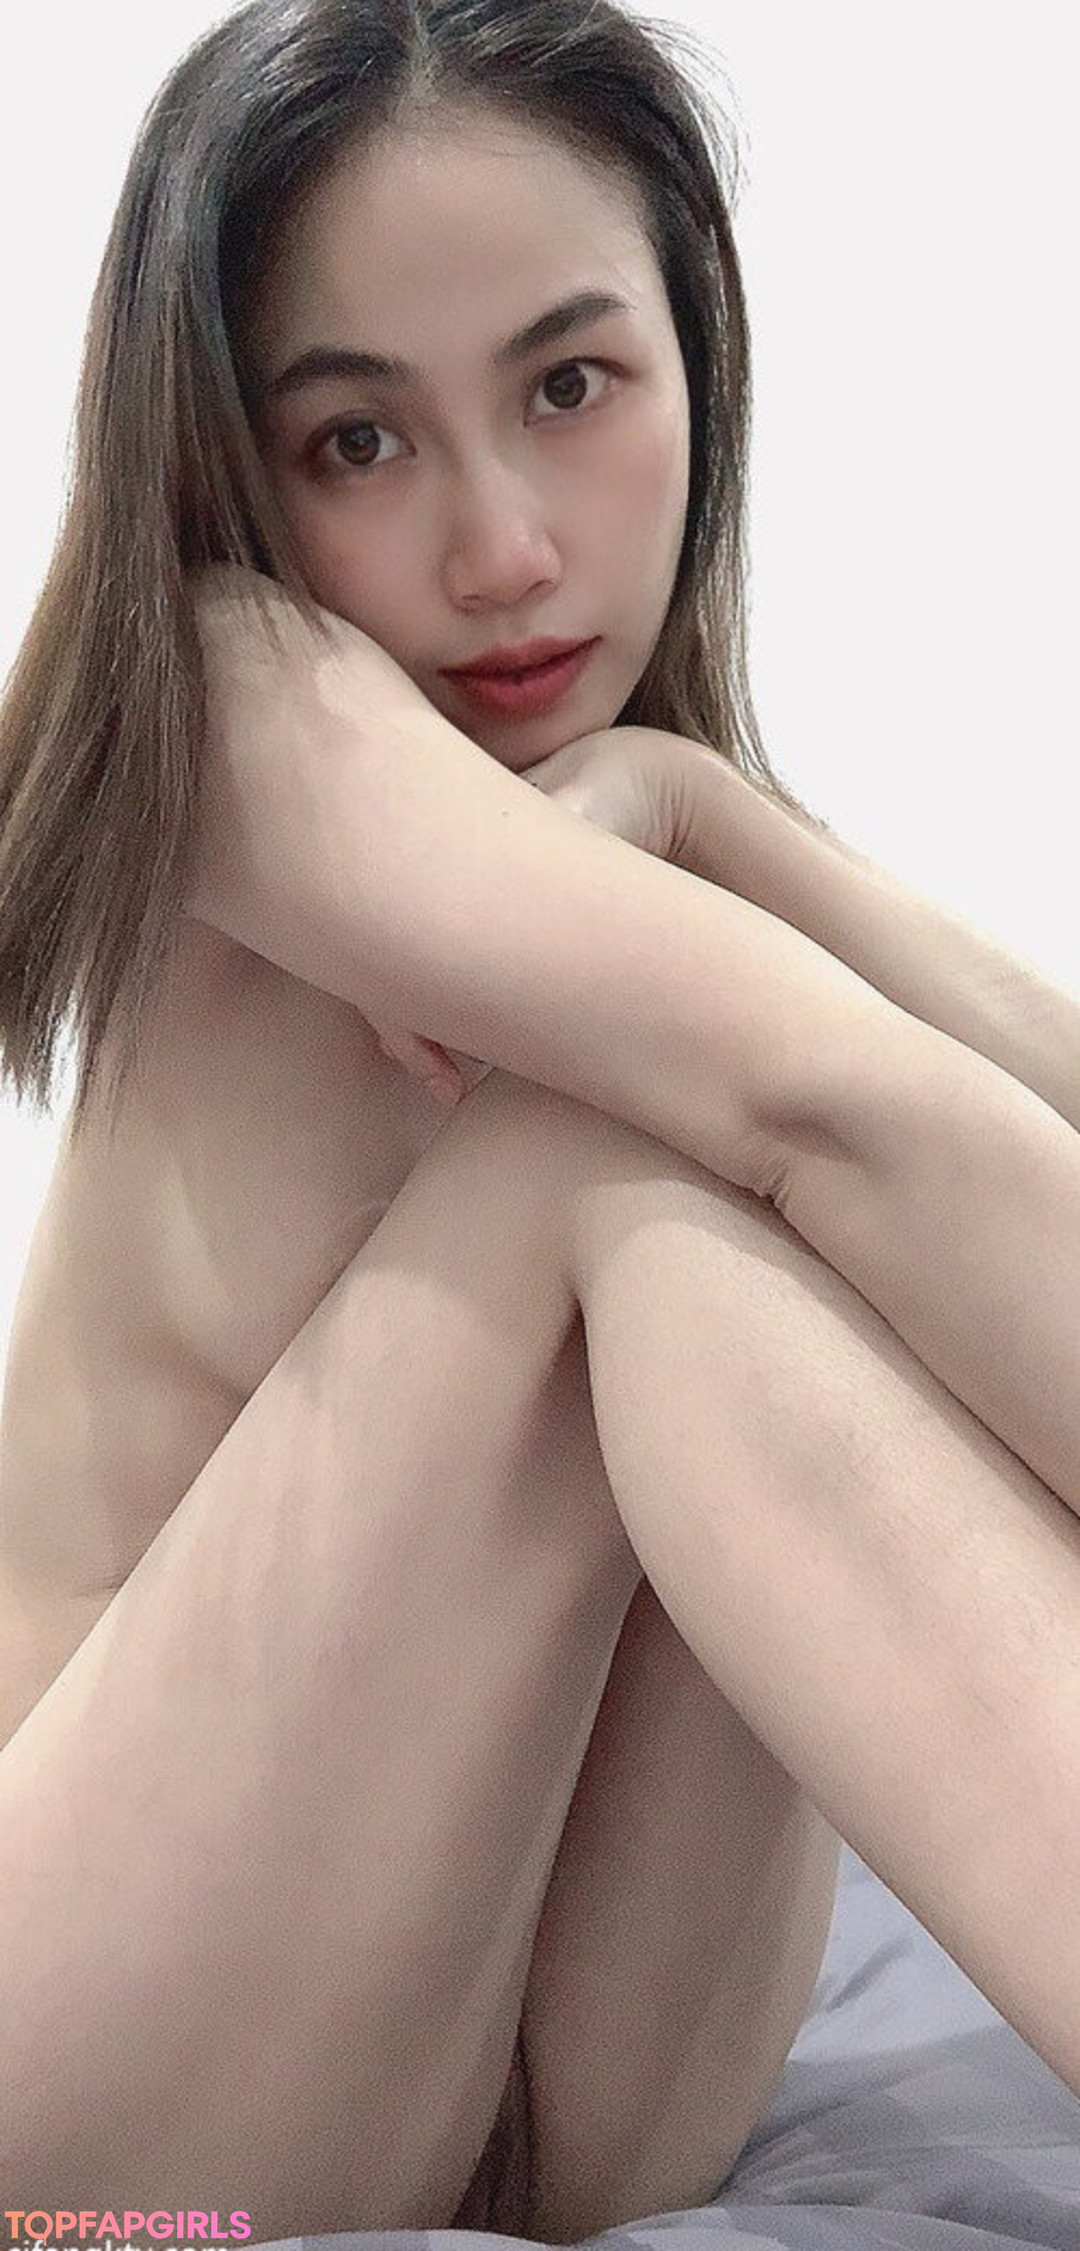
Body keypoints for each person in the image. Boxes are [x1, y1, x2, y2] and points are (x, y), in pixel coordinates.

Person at [0, 0, 1078, 2241]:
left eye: (571, 387)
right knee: (615, 1162)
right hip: (94, 2047)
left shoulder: (598, 826)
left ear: (698, 367)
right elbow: (827, 1102)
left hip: (547, 2079)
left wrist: (696, 800)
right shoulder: (236, 699)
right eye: (356, 441)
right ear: (224, 472)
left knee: (712, 1162)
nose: (499, 546)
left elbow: (1010, 1106)